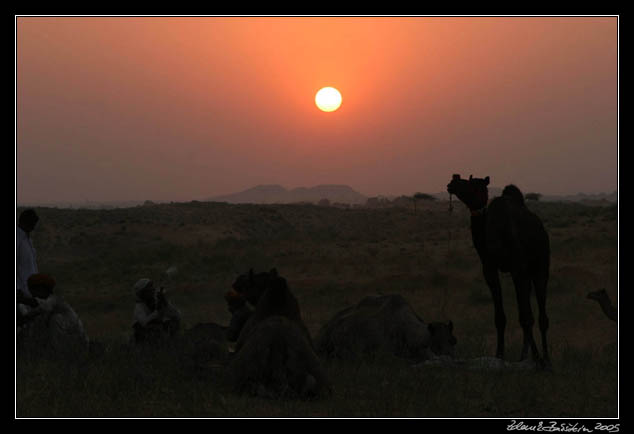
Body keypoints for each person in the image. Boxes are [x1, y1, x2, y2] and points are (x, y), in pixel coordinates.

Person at [17, 273, 89, 358]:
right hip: (68, 344)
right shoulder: (44, 306)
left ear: (43, 289)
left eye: (34, 291)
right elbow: (30, 315)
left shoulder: (55, 300)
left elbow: (37, 304)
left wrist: (21, 300)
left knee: (55, 320)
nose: (33, 294)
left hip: (75, 342)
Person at [132, 278, 181, 344]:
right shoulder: (139, 307)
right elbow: (145, 323)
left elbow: (177, 316)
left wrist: (165, 303)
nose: (153, 290)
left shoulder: (156, 301)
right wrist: (158, 311)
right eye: (149, 289)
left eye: (152, 287)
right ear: (142, 293)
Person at [17, 209, 39, 299]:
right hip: (21, 293)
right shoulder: (17, 238)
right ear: (24, 222)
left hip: (32, 292)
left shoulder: (27, 239)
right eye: (31, 224)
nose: (33, 228)